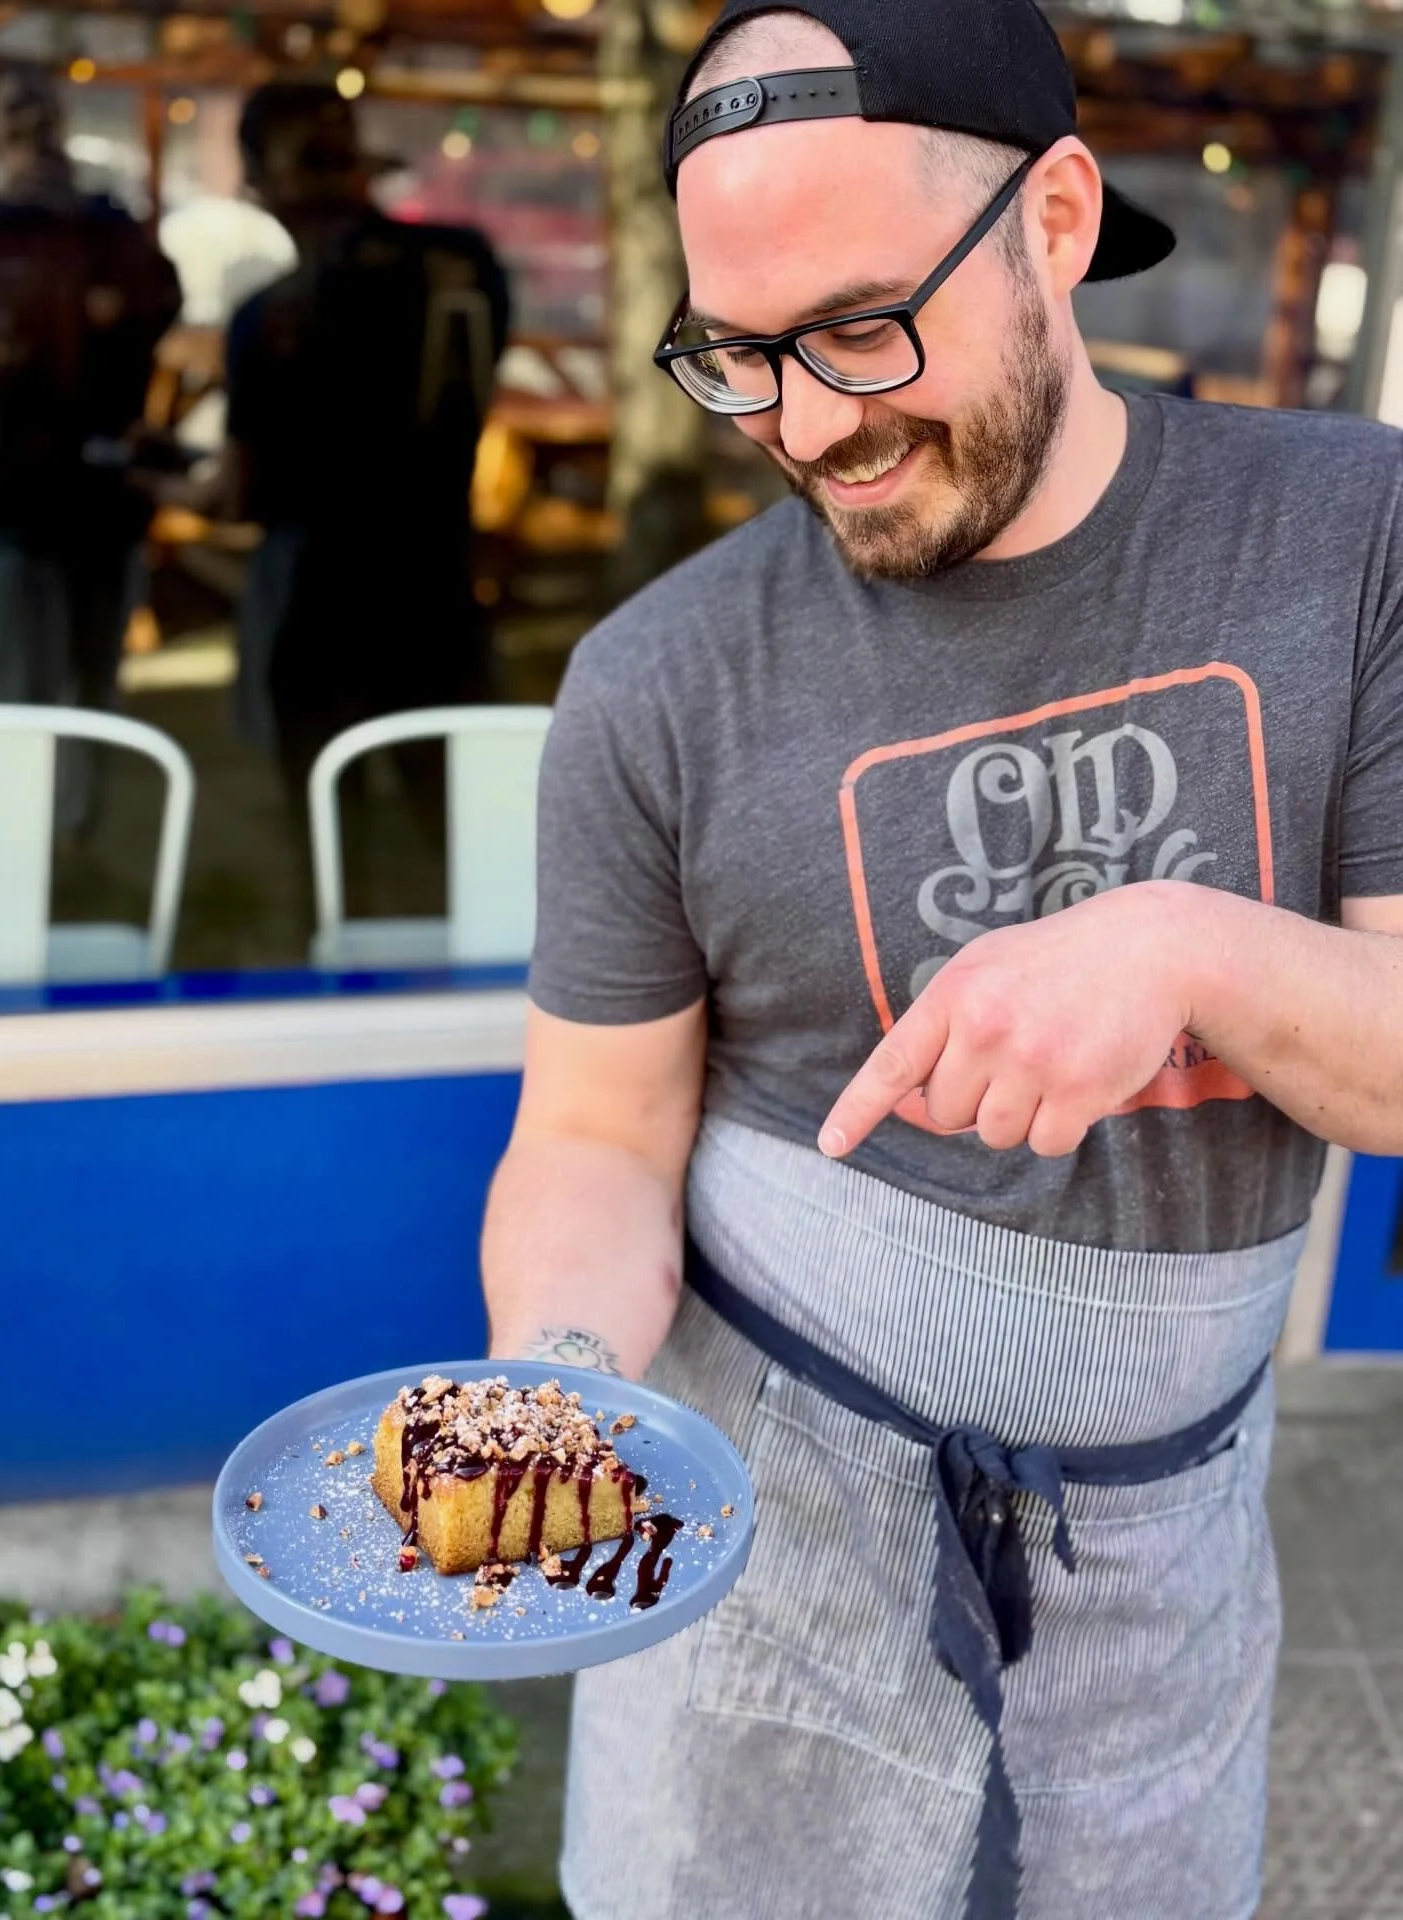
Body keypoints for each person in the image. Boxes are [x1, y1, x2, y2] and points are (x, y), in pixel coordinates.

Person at [480, 2, 1403, 1917]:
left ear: (1057, 218)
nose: (808, 424)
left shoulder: (1355, 539)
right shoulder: (657, 678)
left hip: (1164, 1546)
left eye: (859, 327)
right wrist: (565, 1383)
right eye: (740, 356)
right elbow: (593, 1132)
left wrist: (1190, 946)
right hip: (765, 1550)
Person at [223, 82, 509, 840]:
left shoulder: (268, 317)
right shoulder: (463, 263)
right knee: (462, 851)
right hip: (439, 594)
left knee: (330, 854)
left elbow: (239, 493)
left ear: (260, 181)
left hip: (319, 607)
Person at [0, 63, 180, 836]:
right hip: (13, 498)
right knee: (21, 686)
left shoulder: (108, 229)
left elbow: (156, 304)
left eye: (39, 114)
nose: (28, 128)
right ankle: (16, 843)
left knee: (92, 684)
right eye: (13, 114)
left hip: (98, 498)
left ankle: (73, 835)